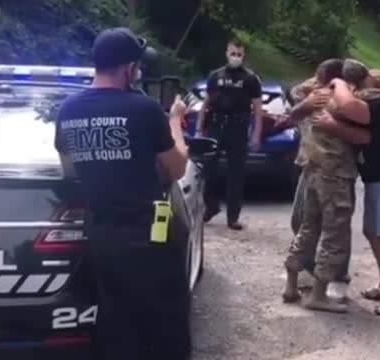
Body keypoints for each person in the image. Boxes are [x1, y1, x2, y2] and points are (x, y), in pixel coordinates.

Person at [54, 27, 191, 359]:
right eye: (138, 66)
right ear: (129, 68)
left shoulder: (68, 110)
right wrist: (175, 120)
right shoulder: (144, 109)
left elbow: (69, 168)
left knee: (115, 324)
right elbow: (177, 168)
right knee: (165, 326)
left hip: (102, 236)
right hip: (150, 239)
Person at [312, 68, 380, 316]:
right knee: (372, 231)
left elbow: (348, 110)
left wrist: (337, 83)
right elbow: (358, 131)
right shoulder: (371, 107)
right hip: (377, 179)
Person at [282, 59, 373, 313]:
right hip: (335, 174)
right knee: (335, 234)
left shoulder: (312, 95)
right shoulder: (342, 100)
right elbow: (365, 125)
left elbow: (297, 95)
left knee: (308, 227)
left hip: (312, 171)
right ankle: (318, 294)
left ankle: (291, 284)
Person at [195, 39, 263, 230]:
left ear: (244, 56)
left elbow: (258, 109)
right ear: (226, 53)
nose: (236, 57)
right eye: (233, 53)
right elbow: (205, 104)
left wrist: (256, 134)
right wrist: (200, 128)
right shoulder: (215, 76)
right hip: (216, 126)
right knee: (207, 169)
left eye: (239, 54)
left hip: (238, 128)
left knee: (236, 174)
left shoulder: (250, 78)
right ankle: (211, 207)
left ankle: (233, 216)